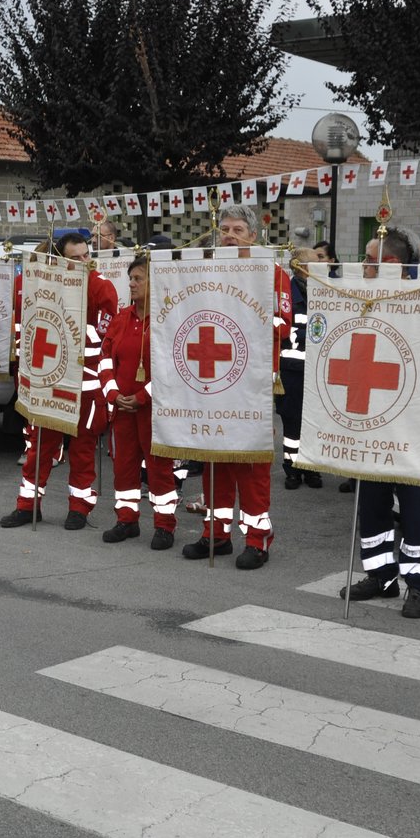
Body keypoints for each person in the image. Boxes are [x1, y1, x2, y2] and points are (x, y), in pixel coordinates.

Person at [339, 228, 420, 617]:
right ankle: (380, 575)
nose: (364, 267)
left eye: (370, 260)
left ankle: (418, 586)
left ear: (390, 264)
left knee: (415, 510)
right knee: (371, 507)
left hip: (411, 429)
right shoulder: (362, 301)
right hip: (370, 426)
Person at [180, 205, 289, 569]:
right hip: (213, 382)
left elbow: (283, 326)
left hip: (253, 386)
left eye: (238, 229)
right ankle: (217, 533)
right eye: (224, 228)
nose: (229, 235)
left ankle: (258, 539)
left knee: (252, 468)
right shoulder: (206, 272)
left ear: (253, 236)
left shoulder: (272, 274)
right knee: (215, 464)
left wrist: (243, 318)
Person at [1, 231, 114, 528]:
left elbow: (106, 336)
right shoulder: (46, 284)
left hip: (85, 381)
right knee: (39, 448)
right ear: (60, 259)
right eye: (74, 258)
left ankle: (79, 508)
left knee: (83, 450)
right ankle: (27, 506)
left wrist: (71, 334)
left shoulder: (101, 287)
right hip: (50, 378)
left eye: (85, 255)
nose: (83, 262)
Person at [98, 253, 177, 549]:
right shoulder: (120, 319)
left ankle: (165, 525)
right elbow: (105, 359)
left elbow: (173, 366)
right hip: (122, 409)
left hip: (154, 410)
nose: (131, 284)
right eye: (130, 278)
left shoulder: (166, 320)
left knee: (159, 469)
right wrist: (113, 394)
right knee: (124, 466)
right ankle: (127, 520)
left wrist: (143, 396)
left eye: (138, 278)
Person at [278, 247, 322, 490]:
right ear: (302, 268)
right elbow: (285, 328)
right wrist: (316, 337)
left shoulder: (324, 292)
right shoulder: (286, 293)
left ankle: (312, 469)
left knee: (315, 422)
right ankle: (292, 469)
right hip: (292, 370)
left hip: (317, 370)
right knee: (292, 422)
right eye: (316, 263)